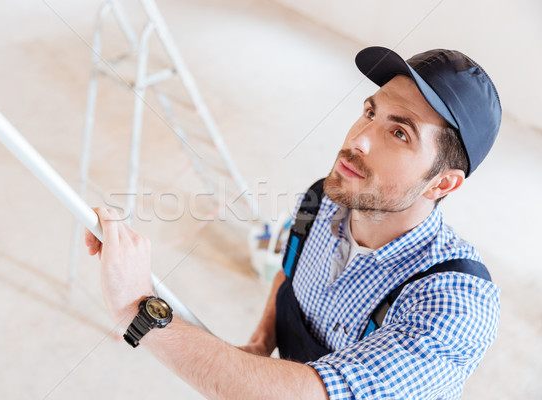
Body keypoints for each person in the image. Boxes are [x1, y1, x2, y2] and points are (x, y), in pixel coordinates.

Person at [85, 46, 502, 399]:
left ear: (442, 182)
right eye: (371, 112)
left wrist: (136, 308)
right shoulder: (322, 199)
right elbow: (290, 274)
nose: (358, 138)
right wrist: (263, 341)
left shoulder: (455, 303)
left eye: (399, 133)